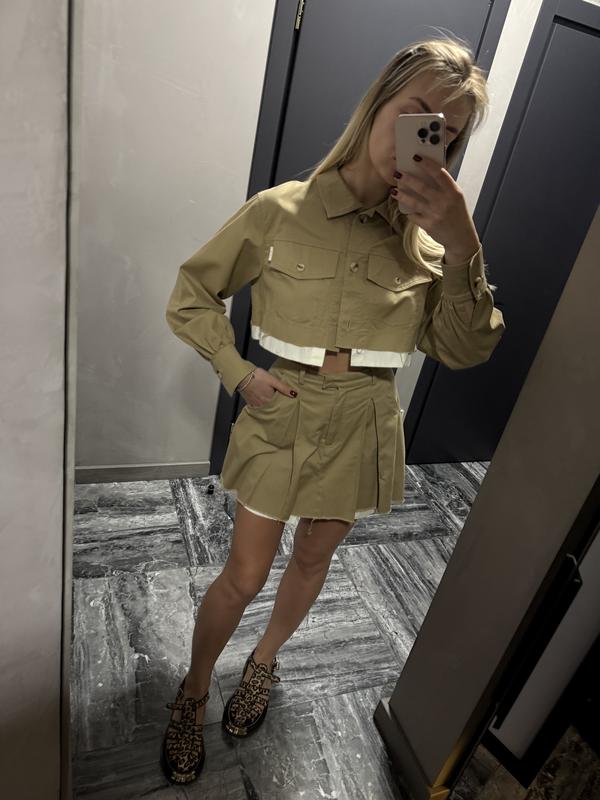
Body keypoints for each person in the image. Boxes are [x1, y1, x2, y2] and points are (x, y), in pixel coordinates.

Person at [160, 35, 506, 785]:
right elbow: (191, 295)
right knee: (243, 574)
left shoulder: (431, 249)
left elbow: (465, 348)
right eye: (417, 112)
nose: (426, 136)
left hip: (365, 420)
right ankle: (192, 691)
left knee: (314, 558)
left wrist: (463, 246)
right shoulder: (280, 211)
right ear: (379, 102)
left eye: (445, 133)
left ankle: (264, 663)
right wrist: (239, 374)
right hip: (282, 409)